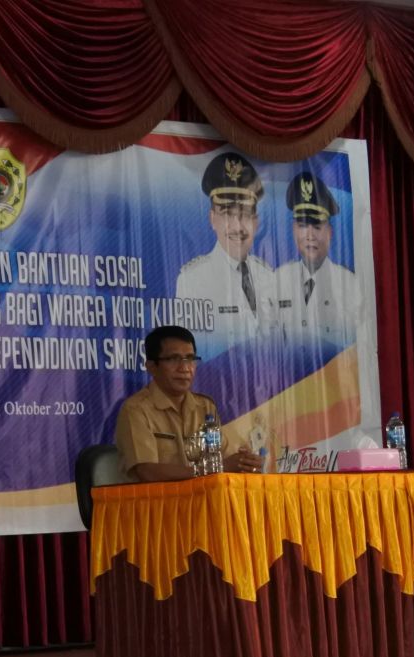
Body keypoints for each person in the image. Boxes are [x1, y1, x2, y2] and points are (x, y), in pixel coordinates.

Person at [114, 326, 264, 481]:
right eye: (173, 359)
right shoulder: (136, 409)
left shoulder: (205, 407)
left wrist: (244, 461)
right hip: (156, 503)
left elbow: (225, 454)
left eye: (190, 359)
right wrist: (215, 468)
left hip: (202, 500)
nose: (185, 368)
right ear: (152, 367)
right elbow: (147, 471)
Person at [175, 152, 276, 341]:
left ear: (256, 221)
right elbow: (189, 350)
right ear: (213, 219)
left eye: (245, 214)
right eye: (228, 213)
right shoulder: (193, 281)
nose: (238, 227)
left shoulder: (268, 276)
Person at [274, 171, 357, 344]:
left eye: (317, 226)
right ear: (294, 230)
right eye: (303, 226)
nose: (310, 235)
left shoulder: (349, 285)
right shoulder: (277, 281)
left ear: (330, 233)